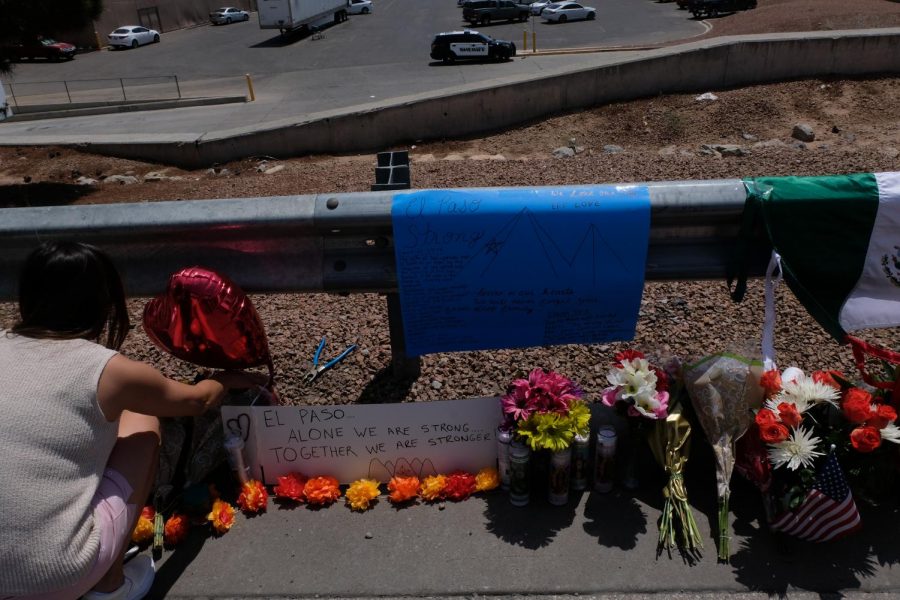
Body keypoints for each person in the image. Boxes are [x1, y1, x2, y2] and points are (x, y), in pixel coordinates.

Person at [0, 241, 265, 600]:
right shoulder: (108, 370)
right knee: (141, 423)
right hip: (56, 575)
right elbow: (197, 401)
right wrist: (225, 380)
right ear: (103, 302)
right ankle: (109, 586)